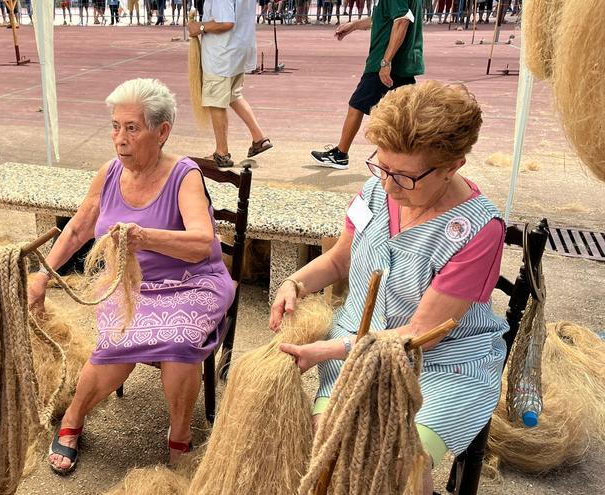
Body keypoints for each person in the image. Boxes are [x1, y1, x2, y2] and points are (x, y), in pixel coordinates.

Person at [270, 81, 507, 494]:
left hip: (441, 365)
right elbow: (340, 259)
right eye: (381, 166)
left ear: (453, 165)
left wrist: (323, 350)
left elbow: (420, 335)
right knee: (326, 441)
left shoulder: (477, 231)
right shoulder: (375, 192)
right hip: (355, 347)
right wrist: (294, 282)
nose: (388, 187)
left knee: (400, 465)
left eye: (405, 177)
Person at [32, 78, 235, 474]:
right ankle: (73, 417)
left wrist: (146, 238)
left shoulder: (184, 175)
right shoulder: (109, 174)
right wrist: (42, 275)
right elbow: (76, 230)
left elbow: (200, 242)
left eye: (131, 128)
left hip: (192, 282)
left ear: (162, 132)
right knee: (114, 349)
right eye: (115, 126)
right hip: (129, 283)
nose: (119, 139)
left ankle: (179, 436)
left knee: (180, 342)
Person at [310, 0, 423, 170]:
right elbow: (382, 18)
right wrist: (354, 25)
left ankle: (340, 154)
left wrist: (386, 62)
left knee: (357, 104)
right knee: (404, 115)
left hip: (386, 61)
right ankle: (413, 157)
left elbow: (402, 21)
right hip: (402, 61)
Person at [189, 0, 273, 168]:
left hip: (222, 54)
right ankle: (259, 138)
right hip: (238, 48)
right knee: (234, 95)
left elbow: (225, 22)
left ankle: (221, 153)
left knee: (216, 102)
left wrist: (200, 27)